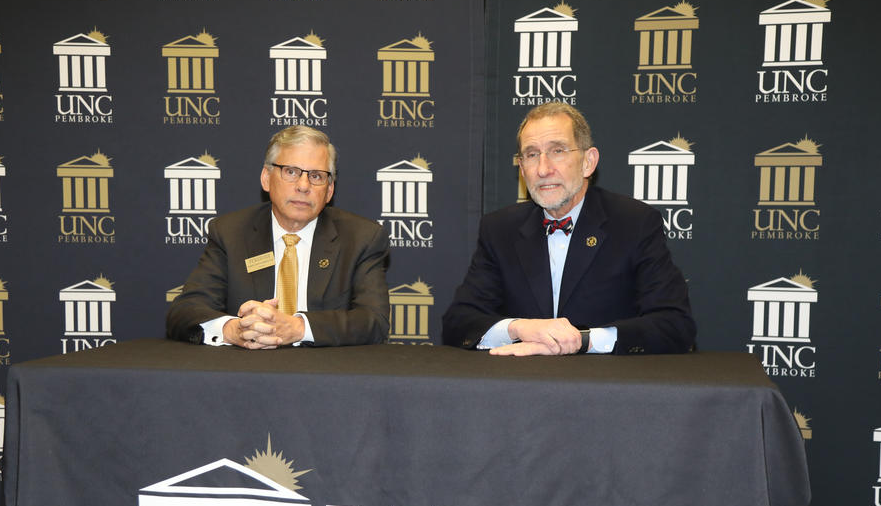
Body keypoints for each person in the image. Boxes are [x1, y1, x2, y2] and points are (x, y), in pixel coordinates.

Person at [442, 101, 695, 356]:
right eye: (531, 154)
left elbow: (674, 325)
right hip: (519, 386)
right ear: (521, 168)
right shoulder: (499, 229)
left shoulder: (634, 223)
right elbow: (459, 322)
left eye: (557, 151)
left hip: (606, 387)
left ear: (588, 161)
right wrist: (518, 328)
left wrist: (584, 340)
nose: (543, 169)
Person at [166, 126, 390, 348]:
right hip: (249, 373)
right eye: (291, 171)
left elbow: (373, 321)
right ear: (266, 178)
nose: (303, 186)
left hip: (326, 373)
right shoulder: (230, 232)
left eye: (316, 176)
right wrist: (234, 330)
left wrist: (298, 328)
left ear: (329, 190)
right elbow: (185, 310)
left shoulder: (362, 238)